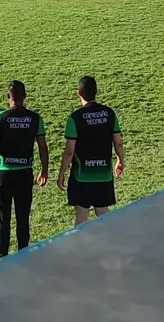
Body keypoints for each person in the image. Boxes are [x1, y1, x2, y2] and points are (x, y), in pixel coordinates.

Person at [0, 80, 48, 258]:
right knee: (23, 215)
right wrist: (44, 170)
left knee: (3, 217)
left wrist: (2, 143)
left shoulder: (0, 117)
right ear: (25, 96)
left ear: (8, 97)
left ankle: (3, 255)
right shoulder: (35, 118)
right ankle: (23, 253)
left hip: (4, 173)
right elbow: (42, 146)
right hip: (24, 173)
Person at [58, 76, 123, 227]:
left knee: (81, 218)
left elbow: (69, 151)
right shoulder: (109, 113)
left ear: (79, 92)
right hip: (103, 174)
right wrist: (120, 160)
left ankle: (81, 243)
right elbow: (118, 142)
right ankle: (110, 241)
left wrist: (62, 172)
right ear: (96, 92)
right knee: (104, 215)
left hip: (81, 177)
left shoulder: (75, 118)